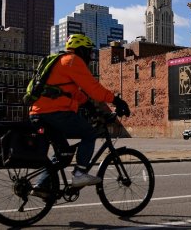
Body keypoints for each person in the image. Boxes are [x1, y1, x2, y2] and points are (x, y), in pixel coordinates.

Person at [29, 34, 130, 196]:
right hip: (54, 112)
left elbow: (74, 93)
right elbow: (94, 88)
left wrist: (90, 108)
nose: (90, 57)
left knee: (64, 154)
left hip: (39, 113)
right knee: (89, 133)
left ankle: (41, 185)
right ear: (81, 50)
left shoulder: (61, 62)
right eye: (89, 52)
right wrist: (116, 101)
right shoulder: (73, 60)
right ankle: (79, 174)